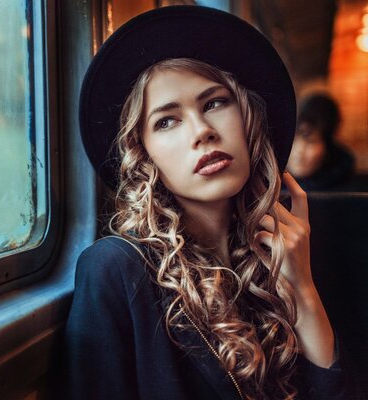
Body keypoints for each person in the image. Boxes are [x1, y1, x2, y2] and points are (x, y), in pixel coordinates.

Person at [60, 6, 349, 400]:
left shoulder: (278, 257)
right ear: (143, 154)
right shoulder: (115, 268)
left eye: (214, 103)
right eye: (166, 121)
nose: (202, 132)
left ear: (248, 118)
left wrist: (304, 290)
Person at [286, 93, 356, 191]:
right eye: (293, 140)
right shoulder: (269, 188)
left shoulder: (350, 193)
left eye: (310, 142)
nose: (299, 151)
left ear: (329, 145)